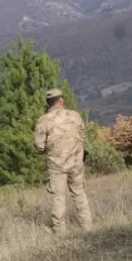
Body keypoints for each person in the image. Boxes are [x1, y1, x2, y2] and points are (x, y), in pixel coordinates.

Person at [34, 88, 92, 233]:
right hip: (76, 163)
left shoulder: (43, 121)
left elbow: (39, 147)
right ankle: (87, 227)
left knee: (58, 198)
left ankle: (60, 232)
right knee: (79, 193)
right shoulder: (75, 116)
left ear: (48, 103)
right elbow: (83, 136)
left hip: (56, 166)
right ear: (61, 100)